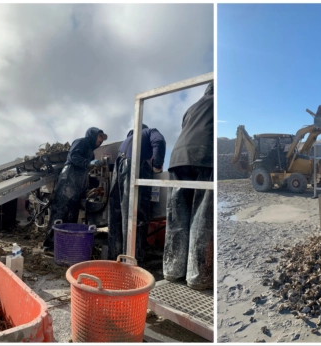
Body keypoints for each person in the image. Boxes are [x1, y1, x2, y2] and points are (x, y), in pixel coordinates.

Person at [163, 82, 214, 290]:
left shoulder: (191, 107)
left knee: (177, 217)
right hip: (203, 156)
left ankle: (173, 271)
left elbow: (186, 129)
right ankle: (197, 277)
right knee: (201, 218)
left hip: (178, 158)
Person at [108, 124, 166, 262]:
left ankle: (115, 256)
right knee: (136, 213)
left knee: (118, 214)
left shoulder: (126, 142)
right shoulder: (150, 131)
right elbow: (159, 141)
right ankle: (135, 258)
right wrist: (157, 165)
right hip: (134, 167)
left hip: (119, 168)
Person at [43, 127, 107, 251]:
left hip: (77, 185)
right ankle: (50, 245)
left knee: (71, 215)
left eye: (102, 139)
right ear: (93, 135)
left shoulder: (91, 152)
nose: (100, 140)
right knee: (60, 212)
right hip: (68, 180)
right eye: (99, 137)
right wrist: (88, 163)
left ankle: (64, 245)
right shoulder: (81, 142)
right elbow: (73, 156)